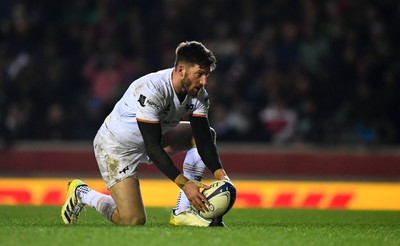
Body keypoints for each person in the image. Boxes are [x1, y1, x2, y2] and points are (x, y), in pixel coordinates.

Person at [61, 41, 232, 227]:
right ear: (181, 70)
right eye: (199, 74)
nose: (203, 81)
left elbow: (204, 141)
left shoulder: (199, 94)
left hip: (154, 136)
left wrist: (222, 177)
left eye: (206, 75)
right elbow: (152, 148)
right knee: (133, 220)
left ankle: (183, 212)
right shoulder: (152, 89)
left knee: (205, 134)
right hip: (117, 147)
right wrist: (185, 184)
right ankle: (83, 193)